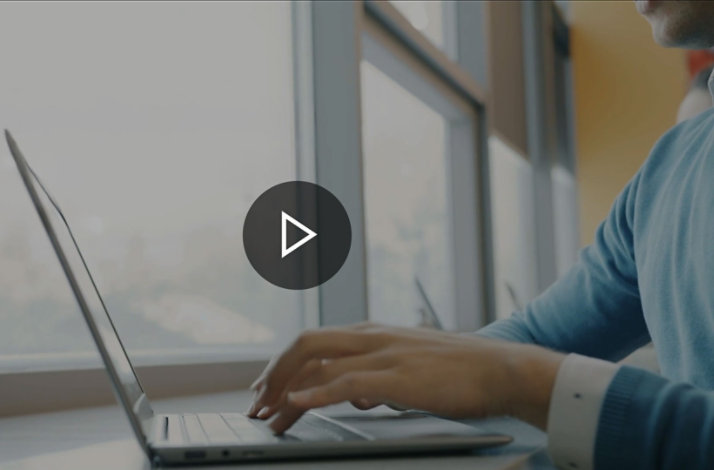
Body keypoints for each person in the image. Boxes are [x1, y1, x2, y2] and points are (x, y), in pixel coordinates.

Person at [246, 1, 714, 469]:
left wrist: (513, 380)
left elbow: (521, 367)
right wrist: (396, 360)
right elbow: (538, 336)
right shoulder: (670, 166)